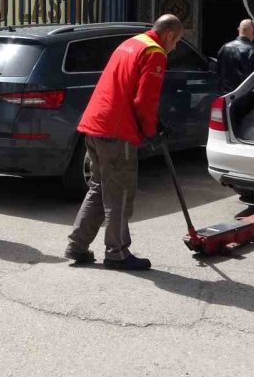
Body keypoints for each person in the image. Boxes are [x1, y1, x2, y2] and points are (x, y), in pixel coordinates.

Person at [65, 14, 184, 271]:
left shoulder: (130, 43)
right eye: (177, 43)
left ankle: (77, 245)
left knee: (99, 187)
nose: (174, 49)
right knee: (120, 192)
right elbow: (144, 100)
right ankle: (117, 252)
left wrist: (153, 123)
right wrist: (151, 130)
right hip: (117, 130)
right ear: (170, 35)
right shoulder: (155, 52)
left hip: (95, 124)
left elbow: (127, 87)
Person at [216, 19, 254, 94]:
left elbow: (218, 73)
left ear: (239, 30)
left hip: (223, 96)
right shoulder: (253, 50)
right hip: (243, 97)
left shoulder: (224, 48)